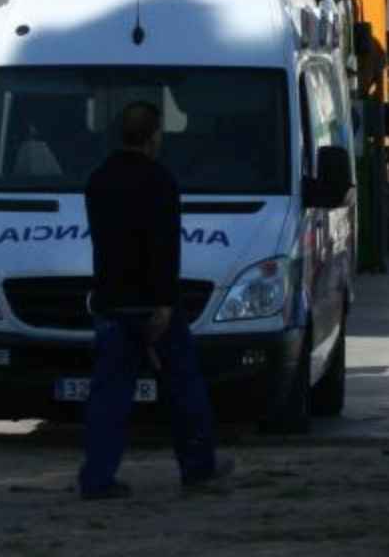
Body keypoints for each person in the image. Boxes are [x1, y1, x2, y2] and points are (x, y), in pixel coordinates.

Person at [77, 101, 232, 500]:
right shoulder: (160, 181)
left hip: (112, 302)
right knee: (184, 388)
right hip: (153, 302)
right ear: (151, 136)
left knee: (109, 396)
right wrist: (165, 302)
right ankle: (198, 467)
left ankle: (97, 477)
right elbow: (164, 246)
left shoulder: (99, 180)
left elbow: (102, 244)